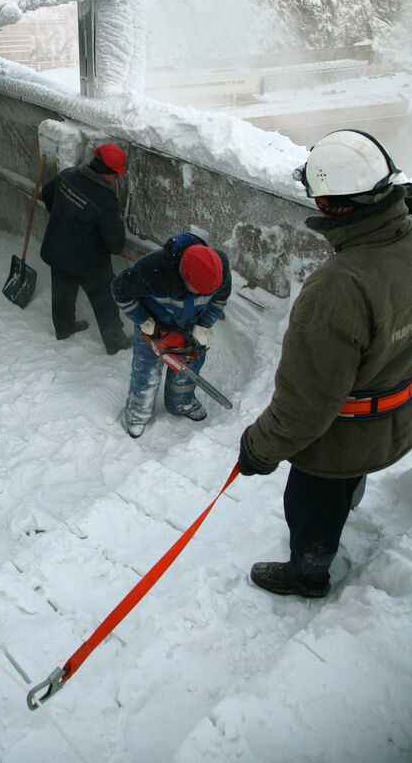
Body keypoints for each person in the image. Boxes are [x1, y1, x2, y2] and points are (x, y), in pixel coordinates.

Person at [237, 129, 412, 599]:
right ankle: (343, 507)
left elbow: (307, 404)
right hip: (396, 416)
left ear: (334, 207)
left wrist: (259, 447)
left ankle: (308, 575)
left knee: (312, 506)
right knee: (345, 488)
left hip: (338, 440)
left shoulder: (339, 289)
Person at [112, 232, 231, 438]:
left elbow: (219, 301)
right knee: (146, 370)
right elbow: (120, 292)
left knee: (189, 365)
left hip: (192, 324)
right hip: (154, 323)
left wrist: (203, 326)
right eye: (200, 291)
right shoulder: (151, 271)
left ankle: (181, 403)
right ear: (185, 276)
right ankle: (137, 414)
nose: (205, 295)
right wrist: (147, 324)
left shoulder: (219, 268)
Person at [40, 143, 131, 355]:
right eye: (115, 174)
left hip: (58, 250)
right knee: (104, 301)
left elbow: (47, 193)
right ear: (106, 172)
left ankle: (64, 328)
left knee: (62, 293)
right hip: (89, 263)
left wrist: (63, 216)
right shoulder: (106, 200)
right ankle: (115, 342)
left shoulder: (68, 175)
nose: (116, 179)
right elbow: (115, 244)